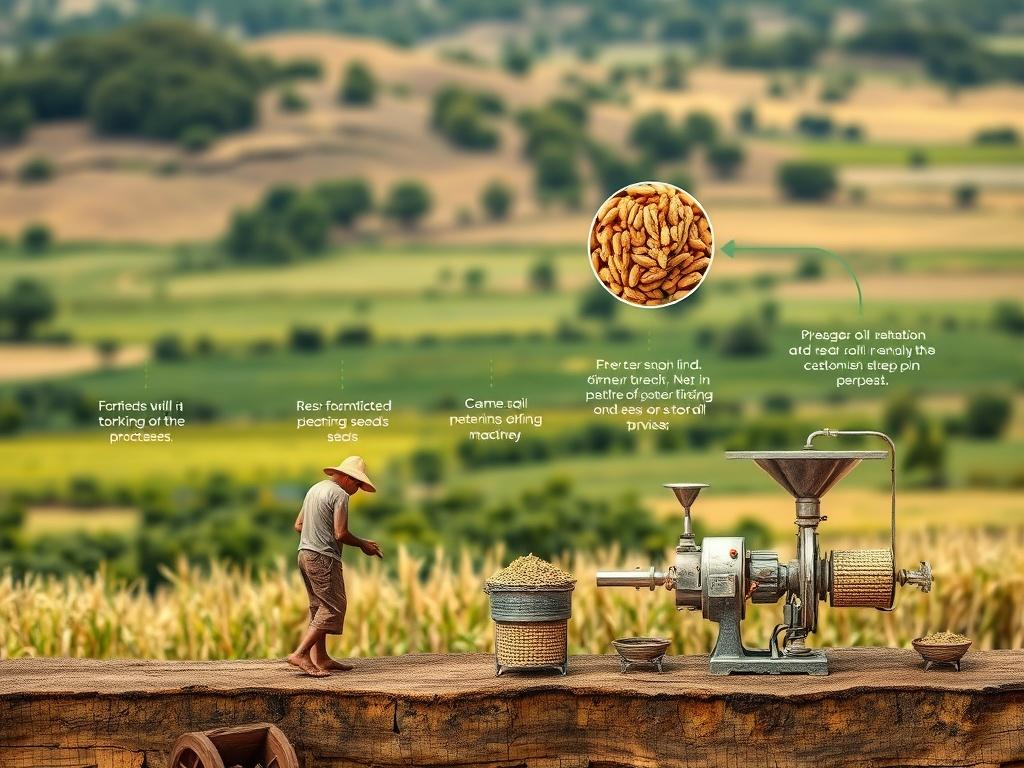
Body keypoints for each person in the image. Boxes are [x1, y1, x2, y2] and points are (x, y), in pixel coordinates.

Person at [287, 455, 383, 676]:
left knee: (318, 606)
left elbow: (299, 525)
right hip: (323, 557)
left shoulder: (315, 489)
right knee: (333, 606)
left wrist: (318, 530)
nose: (357, 488)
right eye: (357, 483)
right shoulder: (340, 495)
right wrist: (363, 544)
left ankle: (320, 657)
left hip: (304, 554)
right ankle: (301, 654)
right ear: (347, 478)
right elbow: (341, 533)